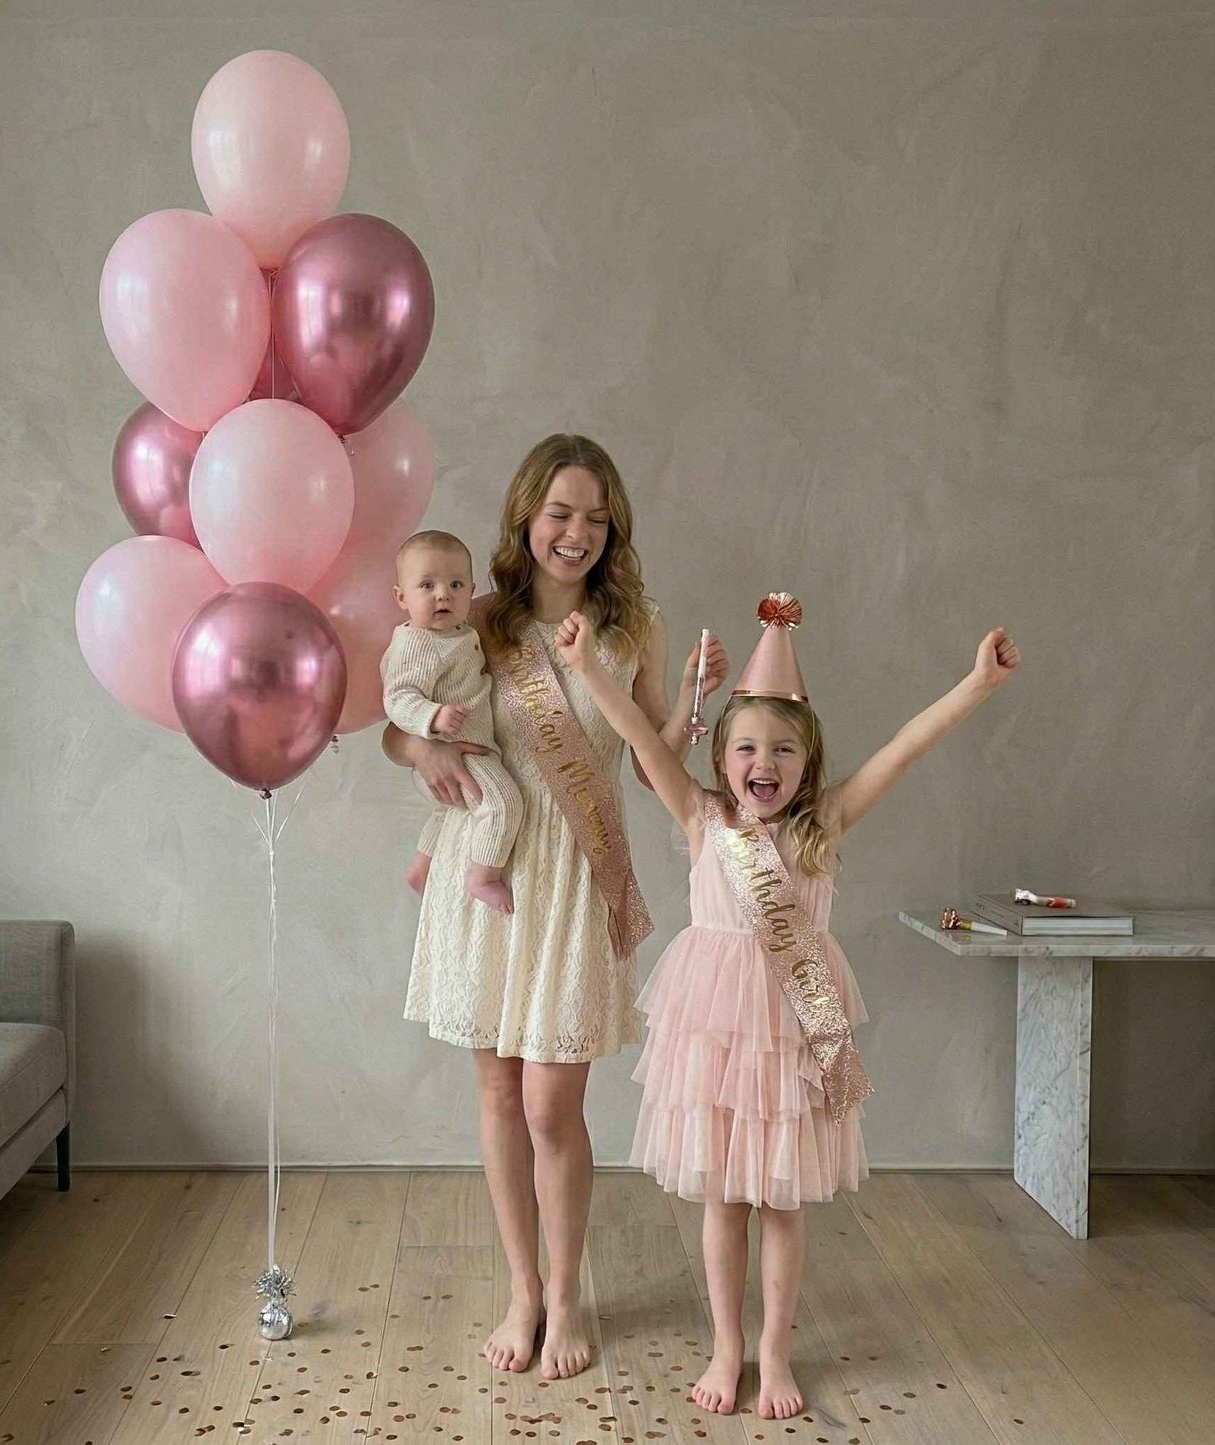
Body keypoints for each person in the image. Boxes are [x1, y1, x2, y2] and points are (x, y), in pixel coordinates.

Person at [555, 591, 1019, 1419]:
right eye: (743, 747)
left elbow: (904, 748)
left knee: (780, 1199)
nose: (760, 762)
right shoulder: (700, 816)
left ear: (806, 763)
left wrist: (975, 686)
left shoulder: (826, 822)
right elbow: (632, 734)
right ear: (721, 756)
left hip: (799, 1033)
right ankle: (725, 1345)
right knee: (722, 1200)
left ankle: (773, 1351)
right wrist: (588, 667)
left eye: (780, 750)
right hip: (720, 1032)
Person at [383, 433, 730, 1379]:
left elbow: (660, 760)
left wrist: (695, 703)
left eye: (593, 515)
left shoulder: (633, 627)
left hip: (577, 876)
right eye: (558, 513)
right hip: (490, 872)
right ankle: (523, 1291)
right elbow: (396, 724)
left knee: (549, 1103)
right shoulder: (477, 618)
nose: (574, 532)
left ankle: (569, 1291)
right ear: (525, 518)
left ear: (611, 528)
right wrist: (426, 753)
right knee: (497, 1091)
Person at [381, 529, 524, 915]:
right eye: (427, 585)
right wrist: (432, 718)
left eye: (456, 584)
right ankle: (483, 878)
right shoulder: (417, 643)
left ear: (472, 590)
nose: (443, 594)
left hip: (471, 750)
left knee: (448, 811)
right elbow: (397, 698)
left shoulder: (462, 632)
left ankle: (422, 868)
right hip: (459, 753)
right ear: (401, 597)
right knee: (504, 803)